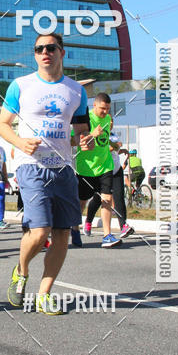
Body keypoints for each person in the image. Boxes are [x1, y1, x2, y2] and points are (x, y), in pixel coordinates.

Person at [0, 32, 92, 313]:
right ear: (35, 54)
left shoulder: (76, 91)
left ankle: (43, 294)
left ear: (62, 52)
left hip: (64, 169)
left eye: (50, 48)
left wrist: (84, 141)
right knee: (39, 232)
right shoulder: (20, 85)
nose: (44, 53)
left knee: (62, 233)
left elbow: (80, 131)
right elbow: (2, 125)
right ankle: (21, 270)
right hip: (31, 166)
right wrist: (20, 142)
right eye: (39, 49)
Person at [76, 93, 122, 248]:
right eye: (102, 108)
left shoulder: (108, 119)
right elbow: (74, 141)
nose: (105, 112)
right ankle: (74, 228)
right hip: (87, 168)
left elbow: (105, 140)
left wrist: (114, 146)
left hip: (105, 166)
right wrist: (92, 134)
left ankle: (107, 235)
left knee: (107, 199)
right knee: (82, 202)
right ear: (94, 105)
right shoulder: (85, 119)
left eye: (108, 109)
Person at [84, 133, 134, 239]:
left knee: (119, 197)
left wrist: (120, 150)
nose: (110, 125)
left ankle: (123, 226)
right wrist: (115, 147)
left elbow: (115, 149)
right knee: (98, 199)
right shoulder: (96, 134)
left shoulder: (112, 135)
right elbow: (101, 151)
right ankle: (88, 221)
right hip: (103, 171)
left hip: (116, 170)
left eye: (112, 124)